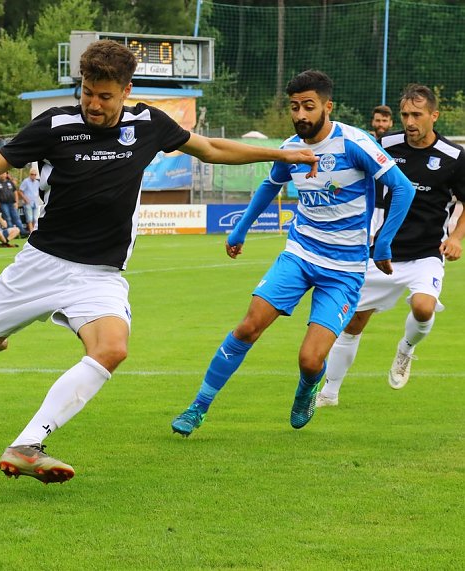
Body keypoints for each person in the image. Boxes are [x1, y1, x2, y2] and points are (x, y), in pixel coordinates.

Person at [0, 40, 319, 484]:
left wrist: (281, 155)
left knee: (113, 349)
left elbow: (211, 150)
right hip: (40, 265)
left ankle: (28, 444)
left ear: (126, 91)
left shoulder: (148, 124)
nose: (93, 103)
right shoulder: (53, 125)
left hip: (100, 275)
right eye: (87, 92)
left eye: (104, 96)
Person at [171, 70, 415, 437]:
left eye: (309, 106)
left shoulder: (354, 143)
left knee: (310, 359)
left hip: (345, 269)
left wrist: (382, 242)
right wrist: (240, 229)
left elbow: (403, 188)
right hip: (300, 254)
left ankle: (307, 389)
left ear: (327, 107)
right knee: (248, 326)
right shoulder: (289, 149)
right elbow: (270, 186)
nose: (300, 114)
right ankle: (198, 407)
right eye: (295, 107)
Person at [317, 85, 465, 406]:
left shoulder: (454, 157)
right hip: (379, 253)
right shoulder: (384, 144)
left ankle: (406, 349)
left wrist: (455, 238)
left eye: (417, 115)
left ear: (434, 116)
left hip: (426, 253)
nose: (410, 121)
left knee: (423, 308)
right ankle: (329, 393)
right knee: (354, 321)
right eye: (405, 115)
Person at [370, 104, 395, 235]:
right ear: (372, 122)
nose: (381, 124)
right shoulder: (366, 144)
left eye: (384, 121)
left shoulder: (397, 147)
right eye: (378, 120)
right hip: (369, 204)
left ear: (391, 123)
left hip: (389, 207)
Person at [0, 170, 25, 235]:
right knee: (7, 218)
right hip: (3, 203)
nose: (3, 175)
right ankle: (10, 232)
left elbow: (15, 192)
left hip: (11, 203)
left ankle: (22, 232)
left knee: (16, 217)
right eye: (1, 174)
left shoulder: (10, 183)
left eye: (4, 173)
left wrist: (16, 202)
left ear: (6, 174)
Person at [18, 166, 41, 234]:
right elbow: (20, 191)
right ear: (29, 174)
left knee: (35, 219)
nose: (33, 176)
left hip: (35, 202)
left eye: (35, 174)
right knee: (29, 218)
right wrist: (25, 199)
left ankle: (34, 231)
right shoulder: (26, 181)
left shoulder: (37, 182)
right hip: (28, 202)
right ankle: (31, 232)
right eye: (32, 174)